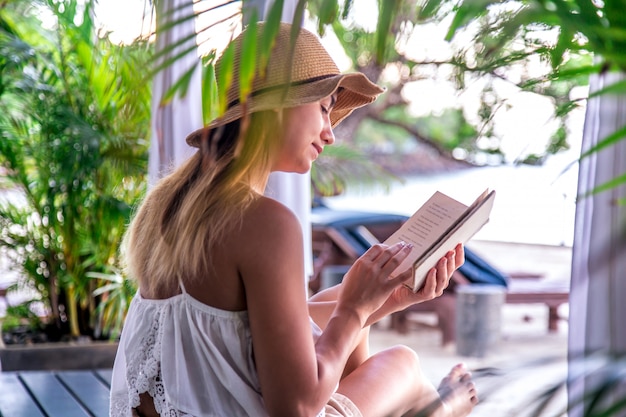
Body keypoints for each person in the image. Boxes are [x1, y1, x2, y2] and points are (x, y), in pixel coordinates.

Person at [109, 22, 478, 417]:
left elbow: (243, 330)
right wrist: (354, 308)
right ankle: (439, 409)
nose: (330, 132)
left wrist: (380, 300)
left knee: (347, 317)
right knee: (401, 363)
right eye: (323, 108)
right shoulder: (265, 221)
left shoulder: (170, 203)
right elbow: (295, 408)